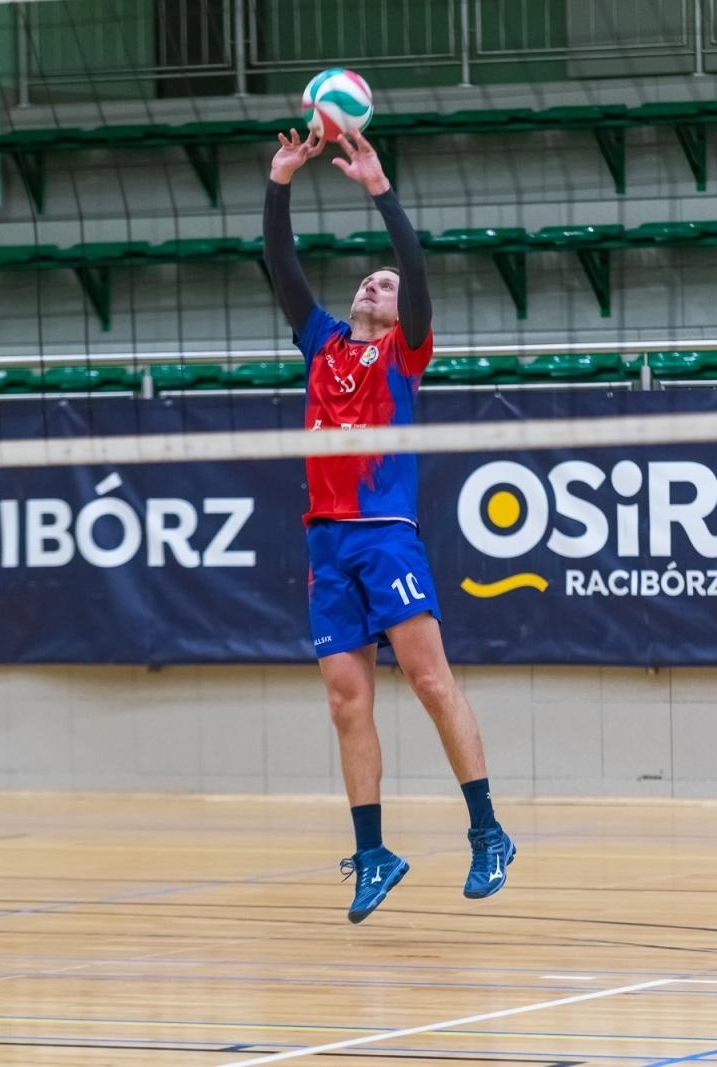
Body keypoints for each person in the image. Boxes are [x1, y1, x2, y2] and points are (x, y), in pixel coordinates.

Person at [262, 128, 514, 924]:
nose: (374, 283)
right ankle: (373, 852)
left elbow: (416, 265)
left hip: (385, 531)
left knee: (431, 680)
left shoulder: (406, 353)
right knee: (344, 700)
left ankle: (488, 831)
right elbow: (282, 266)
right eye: (367, 279)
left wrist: (379, 189)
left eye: (385, 281)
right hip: (326, 540)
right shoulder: (321, 344)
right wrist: (281, 181)